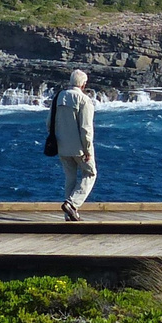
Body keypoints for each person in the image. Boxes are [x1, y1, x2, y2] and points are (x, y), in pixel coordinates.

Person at [51, 70, 97, 221]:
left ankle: (69, 215)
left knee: (70, 178)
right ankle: (72, 204)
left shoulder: (58, 97)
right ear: (84, 84)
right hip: (79, 148)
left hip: (61, 145)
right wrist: (88, 150)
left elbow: (48, 122)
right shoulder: (84, 100)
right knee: (90, 174)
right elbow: (86, 129)